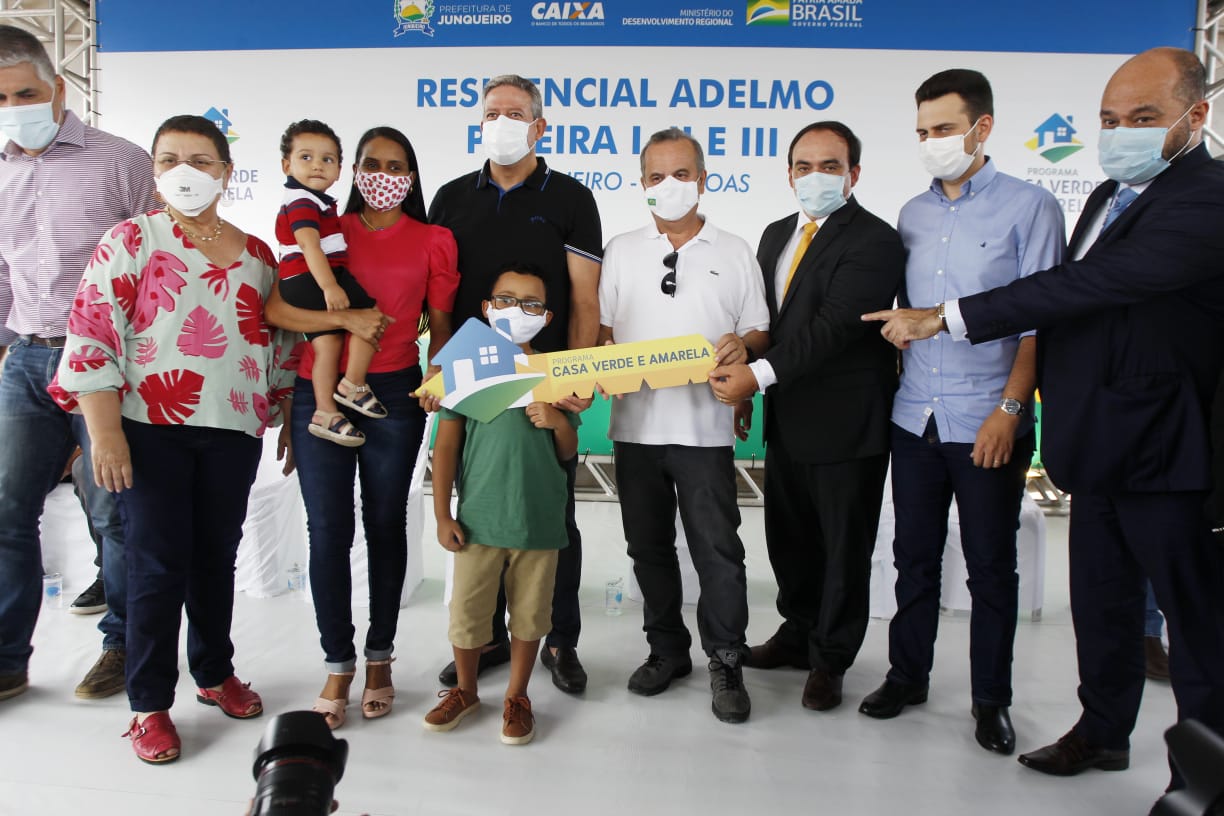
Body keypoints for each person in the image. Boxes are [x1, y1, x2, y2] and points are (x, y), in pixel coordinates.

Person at [864, 48, 1224, 792]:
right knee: (1102, 605)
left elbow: (1083, 287)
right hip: (1095, 442)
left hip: (1167, 448)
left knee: (1194, 627)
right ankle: (1102, 733)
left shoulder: (1206, 199)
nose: (1119, 132)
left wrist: (952, 321)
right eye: (1109, 119)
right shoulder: (1109, 196)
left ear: (1197, 116)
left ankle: (1203, 779)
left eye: (1142, 118)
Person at [52, 114, 299, 764]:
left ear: (225, 172)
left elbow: (278, 341)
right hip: (147, 430)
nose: (184, 172)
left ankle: (215, 673)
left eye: (200, 160)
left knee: (217, 557)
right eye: (169, 160)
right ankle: (149, 704)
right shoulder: (130, 239)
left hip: (232, 430)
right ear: (155, 171)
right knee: (157, 564)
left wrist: (284, 410)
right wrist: (105, 433)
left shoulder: (257, 255)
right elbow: (92, 334)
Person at [855, 69, 1066, 758]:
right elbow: (910, 316)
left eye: (943, 129)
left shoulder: (1031, 206)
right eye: (922, 132)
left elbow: (1039, 322)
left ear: (983, 128)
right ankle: (906, 676)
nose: (931, 143)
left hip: (987, 418)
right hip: (915, 417)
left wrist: (1011, 408)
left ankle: (990, 700)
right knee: (912, 557)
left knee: (990, 567)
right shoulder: (911, 215)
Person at [707, 121, 904, 713]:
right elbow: (767, 326)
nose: (815, 176)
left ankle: (831, 659)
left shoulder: (875, 240)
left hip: (847, 421)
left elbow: (833, 328)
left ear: (854, 174)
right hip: (788, 417)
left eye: (830, 166)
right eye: (803, 166)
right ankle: (797, 634)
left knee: (842, 547)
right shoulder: (775, 235)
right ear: (789, 174)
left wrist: (757, 377)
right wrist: (749, 385)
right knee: (789, 538)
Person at [266, 126, 458, 729]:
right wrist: (346, 320)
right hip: (318, 393)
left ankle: (379, 659)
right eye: (372, 164)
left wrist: (438, 380)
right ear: (353, 172)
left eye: (396, 166)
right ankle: (337, 664)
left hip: (395, 395)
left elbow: (441, 327)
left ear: (412, 176)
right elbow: (277, 308)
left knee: (384, 523)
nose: (383, 176)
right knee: (327, 529)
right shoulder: (325, 226)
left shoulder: (434, 239)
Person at [428, 74, 602, 694]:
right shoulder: (450, 198)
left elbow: (584, 298)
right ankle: (486, 640)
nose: (501, 123)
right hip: (472, 375)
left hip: (543, 375)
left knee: (553, 514)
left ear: (539, 127)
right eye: (491, 113)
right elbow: (440, 297)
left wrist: (576, 375)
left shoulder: (572, 198)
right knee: (482, 509)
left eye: (515, 113)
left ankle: (560, 640)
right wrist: (440, 364)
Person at [0, 23, 156, 703]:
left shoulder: (119, 160)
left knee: (114, 511)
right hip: (25, 362)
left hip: (106, 366)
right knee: (7, 512)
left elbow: (158, 263)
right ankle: (7, 657)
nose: (13, 109)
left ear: (57, 87)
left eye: (24, 93)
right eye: (0, 99)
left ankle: (124, 644)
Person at [600, 127, 769, 723]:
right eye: (656, 176)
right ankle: (667, 650)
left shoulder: (735, 250)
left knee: (717, 549)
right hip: (635, 427)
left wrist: (744, 346)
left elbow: (758, 330)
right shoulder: (621, 250)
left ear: (702, 179)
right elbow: (603, 332)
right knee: (648, 546)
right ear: (641, 183)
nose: (668, 185)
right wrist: (596, 362)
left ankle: (726, 659)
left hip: (705, 428)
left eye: (680, 174)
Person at [425, 263, 579, 745]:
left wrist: (557, 421)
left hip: (538, 520)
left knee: (530, 615)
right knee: (468, 613)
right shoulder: (468, 368)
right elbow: (446, 446)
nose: (517, 311)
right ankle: (466, 690)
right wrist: (443, 514)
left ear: (547, 317)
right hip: (478, 520)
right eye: (507, 300)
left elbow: (568, 451)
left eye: (531, 304)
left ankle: (517, 695)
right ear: (487, 308)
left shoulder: (554, 374)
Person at [276, 120, 382, 446]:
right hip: (311, 277)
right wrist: (329, 287)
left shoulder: (313, 200)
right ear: (286, 165)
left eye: (327, 159)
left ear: (338, 170)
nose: (317, 166)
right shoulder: (302, 201)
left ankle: (325, 413)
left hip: (300, 280)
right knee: (370, 316)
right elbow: (309, 245)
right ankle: (353, 384)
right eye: (306, 157)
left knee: (327, 345)